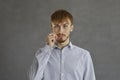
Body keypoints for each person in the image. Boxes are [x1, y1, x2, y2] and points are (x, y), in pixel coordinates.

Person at [28, 9, 96, 80]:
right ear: (52, 27)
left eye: (65, 26)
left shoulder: (84, 55)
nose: (61, 31)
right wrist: (47, 48)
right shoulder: (41, 53)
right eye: (56, 26)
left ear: (71, 28)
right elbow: (32, 78)